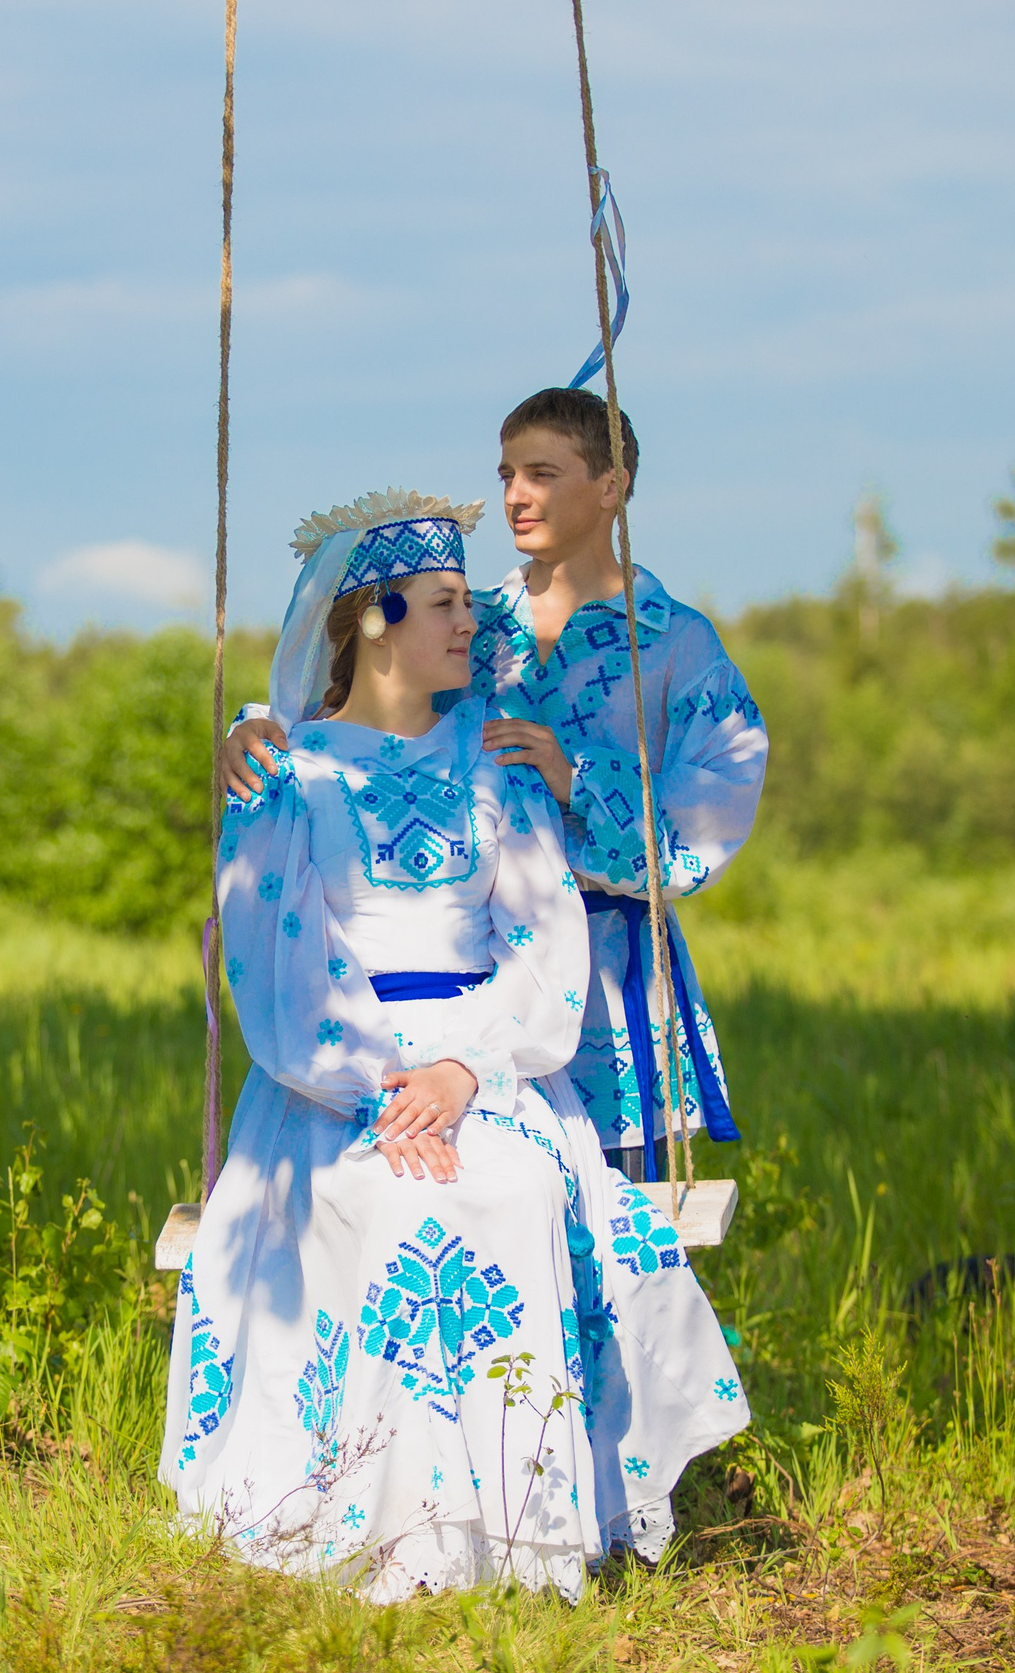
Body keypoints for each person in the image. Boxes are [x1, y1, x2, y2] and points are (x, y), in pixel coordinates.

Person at [163, 488, 748, 1602]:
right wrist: (376, 1083)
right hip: (335, 1076)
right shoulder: (287, 775)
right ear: (374, 620)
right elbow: (276, 963)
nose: (468, 623)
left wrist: (460, 1069)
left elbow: (543, 944)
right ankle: (383, 1520)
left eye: (464, 602)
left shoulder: (498, 765)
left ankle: (516, 1525)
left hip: (489, 1063)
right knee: (381, 1203)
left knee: (516, 1193)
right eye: (441, 605)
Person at [224, 391, 767, 1181]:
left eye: (542, 473)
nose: (515, 494)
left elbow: (717, 804)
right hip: (451, 973)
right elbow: (350, 722)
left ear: (611, 486)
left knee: (598, 1224)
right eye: (507, 471)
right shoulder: (470, 623)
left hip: (607, 981)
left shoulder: (676, 643)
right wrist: (254, 730)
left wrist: (578, 780)